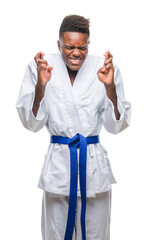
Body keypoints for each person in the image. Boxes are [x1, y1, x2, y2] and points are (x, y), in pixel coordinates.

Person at [16, 15, 131, 240]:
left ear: (88, 44)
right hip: (59, 167)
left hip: (93, 166)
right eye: (69, 47)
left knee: (97, 235)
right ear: (59, 43)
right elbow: (31, 124)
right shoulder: (41, 66)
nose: (76, 53)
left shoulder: (104, 67)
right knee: (55, 234)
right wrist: (41, 86)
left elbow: (116, 126)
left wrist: (110, 89)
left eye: (82, 47)